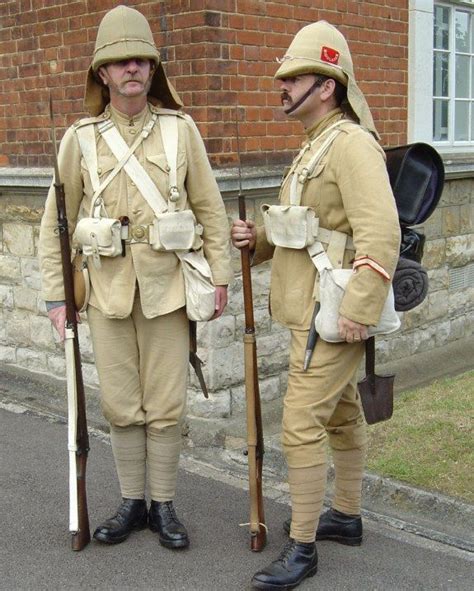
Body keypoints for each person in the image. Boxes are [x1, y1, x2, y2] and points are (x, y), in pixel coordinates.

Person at [39, 5, 232, 550]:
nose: (131, 70)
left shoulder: (181, 130)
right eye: (119, 62)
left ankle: (165, 504)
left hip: (168, 287)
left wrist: (219, 277)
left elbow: (211, 211)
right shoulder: (79, 139)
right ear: (102, 74)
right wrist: (58, 296)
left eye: (140, 61)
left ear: (152, 70)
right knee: (120, 402)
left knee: (167, 402)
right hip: (105, 291)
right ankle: (131, 502)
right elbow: (56, 225)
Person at [232, 21, 400, 590]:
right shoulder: (313, 147)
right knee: (342, 412)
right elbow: (299, 230)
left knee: (301, 422)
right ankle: (346, 517)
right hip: (309, 307)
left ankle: (302, 548)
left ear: (326, 84)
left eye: (294, 76)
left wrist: (361, 309)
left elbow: (381, 234)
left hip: (333, 312)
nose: (282, 86)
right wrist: (255, 241)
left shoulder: (350, 144)